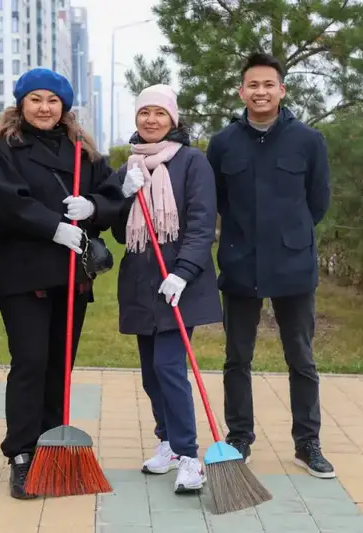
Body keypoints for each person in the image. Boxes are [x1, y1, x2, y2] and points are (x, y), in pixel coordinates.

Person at [0, 68, 125, 499]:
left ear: (65, 107)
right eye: (35, 100)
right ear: (21, 104)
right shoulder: (5, 149)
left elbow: (112, 198)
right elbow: (7, 202)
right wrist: (55, 227)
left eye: (52, 101)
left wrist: (94, 205)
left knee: (60, 365)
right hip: (23, 273)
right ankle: (22, 454)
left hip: (70, 276)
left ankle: (51, 446)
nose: (44, 108)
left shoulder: (83, 152)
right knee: (30, 360)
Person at [205, 52, 334, 478]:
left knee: (301, 357)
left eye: (268, 85)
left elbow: (317, 201)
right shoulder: (223, 143)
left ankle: (307, 443)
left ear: (282, 89)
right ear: (241, 92)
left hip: (293, 265)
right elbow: (218, 199)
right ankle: (239, 437)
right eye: (252, 86)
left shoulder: (308, 140)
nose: (260, 92)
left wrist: (289, 235)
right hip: (241, 263)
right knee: (237, 357)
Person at [111, 85, 222, 493]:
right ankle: (168, 443)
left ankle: (190, 456)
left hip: (179, 284)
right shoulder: (129, 167)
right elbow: (119, 233)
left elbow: (200, 222)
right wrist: (123, 195)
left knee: (169, 368)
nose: (151, 120)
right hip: (141, 283)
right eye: (144, 113)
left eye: (160, 113)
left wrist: (184, 271)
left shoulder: (193, 162)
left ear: (173, 120)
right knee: (149, 374)